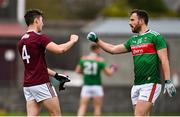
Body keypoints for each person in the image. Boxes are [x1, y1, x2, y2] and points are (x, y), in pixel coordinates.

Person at [86, 9, 176, 116]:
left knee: (138, 115)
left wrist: (168, 80)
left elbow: (164, 59)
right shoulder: (132, 40)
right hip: (137, 84)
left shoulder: (155, 37)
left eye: (132, 20)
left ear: (141, 21)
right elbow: (113, 49)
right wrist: (97, 40)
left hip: (150, 83)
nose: (130, 23)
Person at [18, 9, 78, 116]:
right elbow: (60, 49)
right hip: (41, 83)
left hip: (28, 85)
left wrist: (56, 75)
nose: (43, 23)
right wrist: (72, 40)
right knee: (56, 114)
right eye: (41, 20)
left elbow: (36, 66)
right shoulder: (39, 38)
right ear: (36, 21)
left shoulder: (21, 41)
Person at [75, 44, 117, 116]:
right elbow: (109, 73)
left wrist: (86, 73)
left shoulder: (84, 59)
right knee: (97, 107)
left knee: (82, 106)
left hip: (86, 86)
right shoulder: (100, 60)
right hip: (97, 86)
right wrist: (113, 68)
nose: (100, 51)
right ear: (96, 49)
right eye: (99, 49)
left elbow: (77, 71)